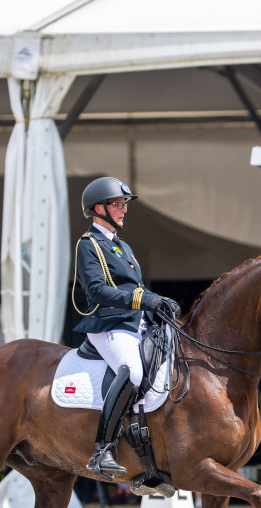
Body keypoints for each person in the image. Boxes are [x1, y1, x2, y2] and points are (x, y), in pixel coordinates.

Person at [71, 176, 181, 478]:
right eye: (118, 204)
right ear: (99, 208)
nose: (124, 209)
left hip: (136, 324)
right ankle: (102, 450)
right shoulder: (89, 245)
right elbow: (97, 291)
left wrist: (159, 302)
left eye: (124, 204)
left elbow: (137, 288)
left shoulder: (122, 246)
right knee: (132, 372)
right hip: (110, 324)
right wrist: (145, 300)